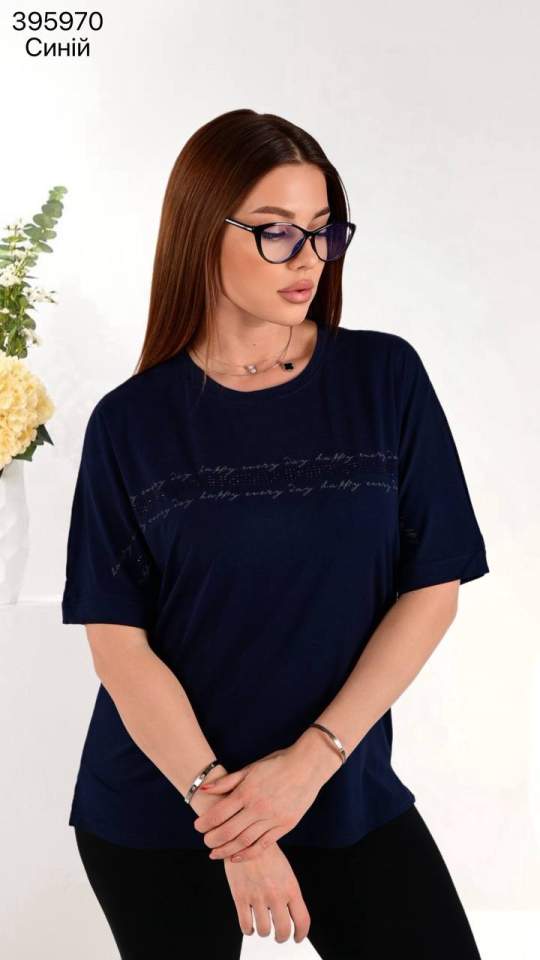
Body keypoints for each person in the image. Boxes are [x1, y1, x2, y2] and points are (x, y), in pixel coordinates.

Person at [62, 108, 489, 958]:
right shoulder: (130, 423)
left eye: (323, 231)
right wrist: (236, 825)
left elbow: (431, 591)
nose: (308, 259)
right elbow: (119, 647)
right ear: (201, 231)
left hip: (338, 791)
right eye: (275, 231)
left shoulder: (384, 378)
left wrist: (307, 768)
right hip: (164, 807)